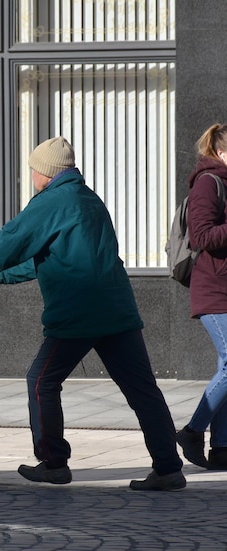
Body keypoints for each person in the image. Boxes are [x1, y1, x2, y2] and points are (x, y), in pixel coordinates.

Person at [0, 136, 185, 491]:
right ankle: (168, 468)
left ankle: (54, 462)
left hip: (79, 311)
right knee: (143, 390)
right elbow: (48, 258)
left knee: (41, 381)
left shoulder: (51, 202)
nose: (32, 176)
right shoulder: (88, 200)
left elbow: (9, 241)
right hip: (117, 310)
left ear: (46, 172)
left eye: (33, 169)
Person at [176, 124, 227, 471]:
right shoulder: (208, 183)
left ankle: (222, 448)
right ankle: (193, 430)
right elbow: (203, 237)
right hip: (213, 290)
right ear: (222, 153)